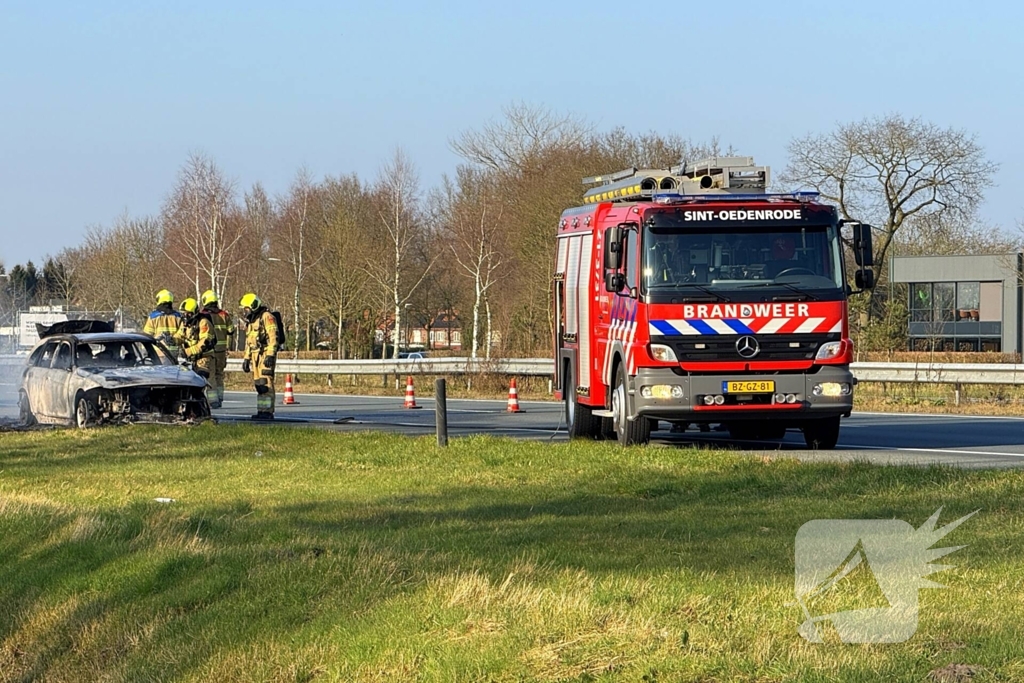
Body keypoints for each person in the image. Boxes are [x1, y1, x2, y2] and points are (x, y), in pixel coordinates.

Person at [239, 292, 279, 420]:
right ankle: (261, 410)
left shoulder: (266, 317)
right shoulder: (252, 320)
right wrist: (246, 358)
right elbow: (249, 342)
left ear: (252, 306)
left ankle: (268, 411)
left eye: (246, 309)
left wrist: (270, 355)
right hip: (255, 355)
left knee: (266, 383)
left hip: (265, 354)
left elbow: (273, 337)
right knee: (259, 385)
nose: (245, 312)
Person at [200, 289, 234, 409]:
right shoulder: (224, 315)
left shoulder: (204, 315)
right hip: (222, 351)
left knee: (211, 375)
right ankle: (219, 398)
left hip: (210, 351)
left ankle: (213, 400)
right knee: (220, 375)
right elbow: (231, 330)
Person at [175, 297, 217, 392]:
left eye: (187, 314)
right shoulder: (186, 324)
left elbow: (204, 343)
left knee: (199, 382)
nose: (184, 316)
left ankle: (206, 404)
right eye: (183, 313)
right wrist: (172, 339)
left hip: (204, 358)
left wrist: (187, 352)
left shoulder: (204, 323)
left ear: (194, 313)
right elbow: (180, 336)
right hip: (192, 359)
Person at [143, 289, 183, 358]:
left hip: (158, 352)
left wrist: (145, 351)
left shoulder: (153, 316)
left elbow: (146, 336)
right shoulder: (178, 316)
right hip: (173, 353)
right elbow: (182, 334)